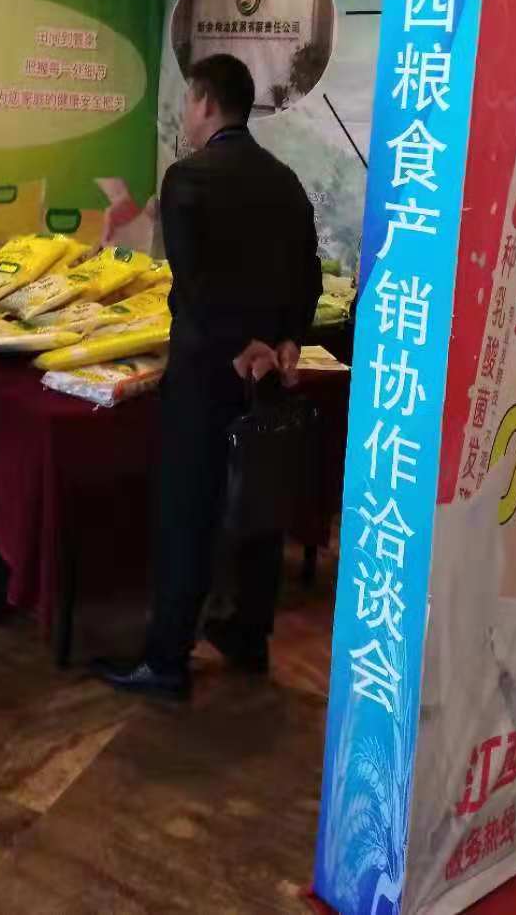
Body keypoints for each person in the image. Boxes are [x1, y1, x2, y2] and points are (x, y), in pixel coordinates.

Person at [92, 54, 322, 700]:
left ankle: (166, 658)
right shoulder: (284, 180)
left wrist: (235, 344)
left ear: (205, 103)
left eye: (187, 104)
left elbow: (193, 286)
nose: (185, 117)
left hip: (204, 374)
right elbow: (307, 274)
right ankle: (248, 633)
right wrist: (284, 340)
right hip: (264, 373)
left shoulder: (188, 177)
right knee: (258, 503)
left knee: (187, 512)